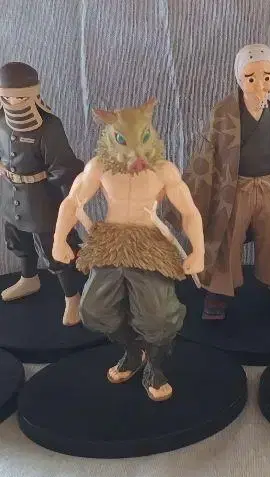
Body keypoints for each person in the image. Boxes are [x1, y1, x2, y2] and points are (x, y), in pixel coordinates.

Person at [52, 98, 204, 401]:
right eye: (124, 140)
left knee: (159, 317)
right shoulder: (99, 167)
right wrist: (59, 239)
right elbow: (72, 201)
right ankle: (134, 351)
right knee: (94, 311)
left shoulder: (164, 170)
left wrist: (198, 250)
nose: (135, 152)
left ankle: (155, 366)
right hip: (110, 242)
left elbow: (189, 211)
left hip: (149, 244)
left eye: (142, 138)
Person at [170, 44, 270, 320]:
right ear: (238, 78)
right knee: (226, 237)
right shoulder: (224, 112)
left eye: (267, 76)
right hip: (235, 188)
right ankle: (218, 290)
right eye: (250, 78)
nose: (259, 84)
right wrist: (186, 195)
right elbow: (206, 153)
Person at [0, 62, 84, 325]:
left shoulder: (49, 126)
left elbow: (64, 166)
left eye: (20, 96)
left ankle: (73, 297)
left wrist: (72, 202)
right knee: (17, 240)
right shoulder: (1, 119)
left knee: (56, 249)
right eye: (8, 96)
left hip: (43, 199)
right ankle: (29, 278)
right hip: (10, 194)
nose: (14, 102)